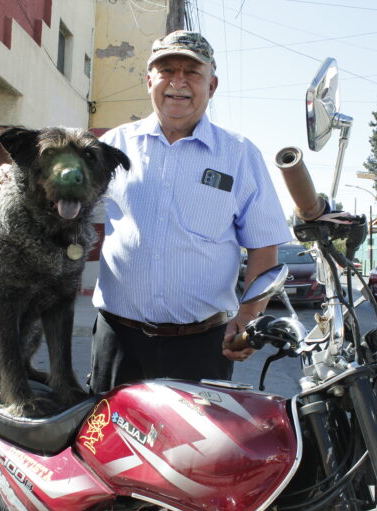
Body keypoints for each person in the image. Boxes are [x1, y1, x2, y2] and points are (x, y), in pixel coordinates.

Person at [89, 30, 293, 393]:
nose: (178, 82)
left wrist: (247, 319)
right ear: (149, 80)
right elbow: (59, 190)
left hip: (202, 346)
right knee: (106, 448)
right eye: (166, 70)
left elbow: (263, 248)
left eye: (192, 72)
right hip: (119, 341)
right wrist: (12, 174)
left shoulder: (240, 156)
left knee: (198, 450)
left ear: (211, 85)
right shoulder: (110, 147)